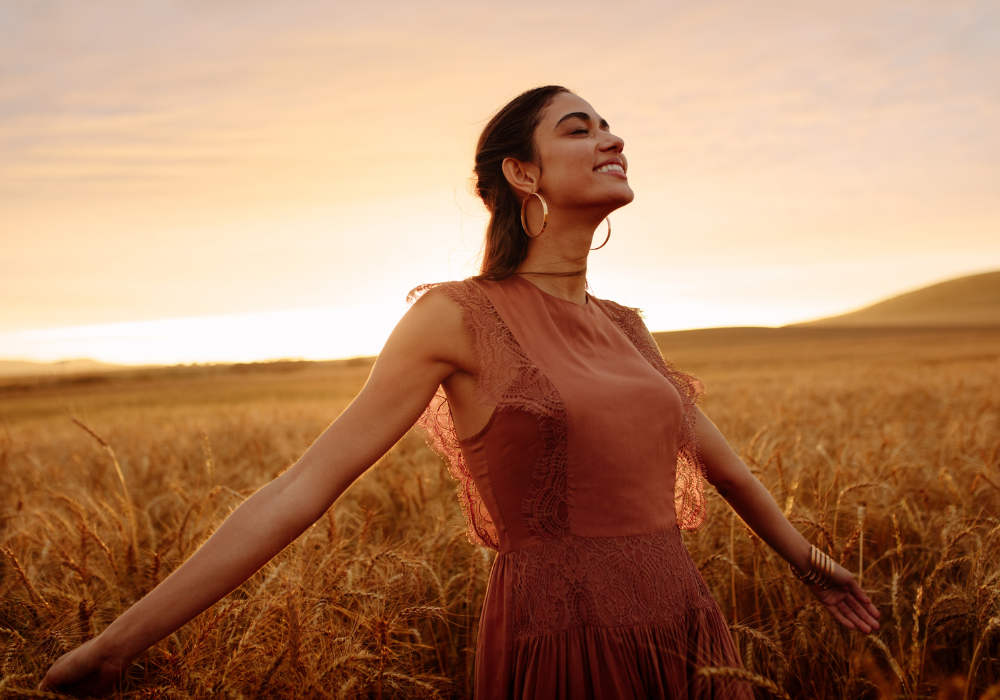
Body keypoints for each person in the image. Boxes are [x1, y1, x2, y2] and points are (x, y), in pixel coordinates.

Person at [40, 85, 880, 698]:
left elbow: (724, 470)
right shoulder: (456, 316)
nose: (612, 137)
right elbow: (303, 487)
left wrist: (813, 569)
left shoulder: (627, 326)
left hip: (686, 627)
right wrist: (118, 646)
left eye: (613, 125)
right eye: (580, 128)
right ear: (522, 171)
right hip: (564, 638)